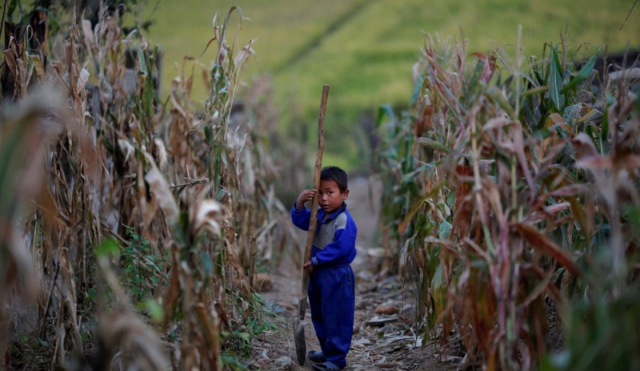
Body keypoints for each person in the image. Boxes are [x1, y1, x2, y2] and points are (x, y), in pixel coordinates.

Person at [291, 166, 357, 371]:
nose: (324, 198)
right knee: (320, 314)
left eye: (330, 192)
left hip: (336, 275)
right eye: (320, 193)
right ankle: (327, 351)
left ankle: (337, 358)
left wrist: (318, 260)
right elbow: (303, 221)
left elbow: (341, 248)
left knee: (336, 316)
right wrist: (300, 204)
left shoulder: (344, 220)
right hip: (317, 275)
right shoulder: (319, 216)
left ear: (344, 194)